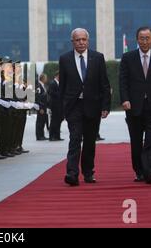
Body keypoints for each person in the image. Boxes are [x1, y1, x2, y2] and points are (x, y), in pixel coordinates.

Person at [59, 28, 111, 186]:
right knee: (75, 138)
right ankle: (72, 173)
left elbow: (104, 84)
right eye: (77, 40)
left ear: (88, 41)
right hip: (74, 106)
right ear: (72, 42)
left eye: (83, 39)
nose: (81, 42)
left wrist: (105, 106)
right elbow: (63, 86)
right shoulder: (65, 59)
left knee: (89, 141)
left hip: (93, 106)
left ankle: (88, 172)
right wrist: (63, 107)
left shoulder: (98, 57)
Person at [120, 26, 151, 184]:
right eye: (141, 38)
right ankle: (139, 170)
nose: (144, 41)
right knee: (136, 141)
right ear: (137, 40)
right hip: (133, 106)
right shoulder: (128, 57)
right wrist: (125, 99)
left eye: (147, 38)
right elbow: (123, 81)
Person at [48, 72, 64, 141]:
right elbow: (50, 92)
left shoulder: (59, 83)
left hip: (59, 105)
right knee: (54, 121)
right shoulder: (52, 83)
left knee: (59, 121)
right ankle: (52, 136)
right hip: (54, 105)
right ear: (57, 76)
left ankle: (57, 136)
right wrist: (60, 94)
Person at [35, 74, 49, 141]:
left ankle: (42, 135)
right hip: (41, 107)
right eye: (45, 78)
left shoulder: (43, 85)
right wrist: (40, 108)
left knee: (43, 121)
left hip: (44, 106)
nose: (46, 79)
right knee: (39, 122)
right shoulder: (39, 86)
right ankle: (39, 136)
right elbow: (37, 97)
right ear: (42, 78)